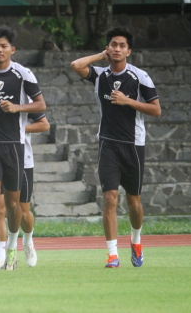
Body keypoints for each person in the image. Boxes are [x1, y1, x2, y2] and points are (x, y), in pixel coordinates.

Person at [71, 27, 160, 268]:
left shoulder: (140, 76)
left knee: (134, 203)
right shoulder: (100, 75)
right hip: (108, 145)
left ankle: (136, 241)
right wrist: (101, 56)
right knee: (110, 198)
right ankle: (113, 255)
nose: (117, 49)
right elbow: (76, 65)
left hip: (133, 146)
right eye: (113, 45)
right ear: (108, 48)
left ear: (129, 51)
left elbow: (156, 109)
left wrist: (128, 101)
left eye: (121, 45)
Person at [0, 26, 46, 271]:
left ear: (12, 49)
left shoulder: (23, 74)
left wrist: (17, 108)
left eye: (4, 46)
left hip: (15, 147)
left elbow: (40, 105)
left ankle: (14, 246)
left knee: (15, 206)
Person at [20, 112, 50, 267]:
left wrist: (18, 128)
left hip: (22, 160)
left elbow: (44, 124)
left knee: (23, 211)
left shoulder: (24, 97)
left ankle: (28, 241)